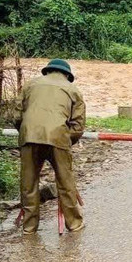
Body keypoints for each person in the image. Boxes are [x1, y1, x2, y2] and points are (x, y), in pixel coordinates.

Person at [14, 59, 86, 234]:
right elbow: (78, 125)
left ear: (47, 71)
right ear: (67, 75)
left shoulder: (30, 85)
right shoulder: (73, 90)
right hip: (58, 137)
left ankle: (29, 228)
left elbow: (16, 114)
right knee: (65, 182)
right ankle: (74, 224)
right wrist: (67, 140)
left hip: (29, 136)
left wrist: (25, 131)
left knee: (28, 183)